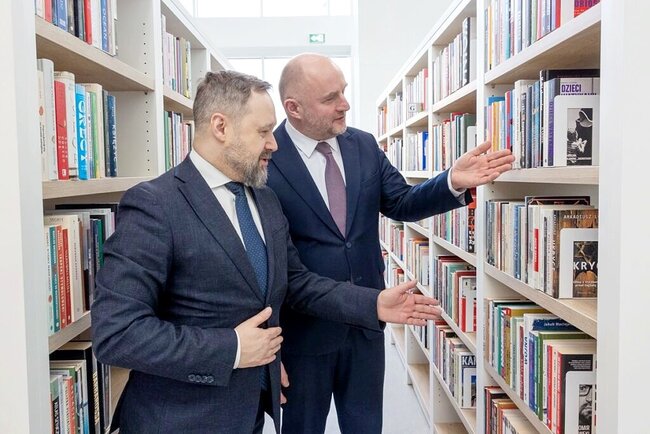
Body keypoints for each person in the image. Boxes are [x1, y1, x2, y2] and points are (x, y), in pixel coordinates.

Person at [91, 70, 444, 434]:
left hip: (250, 415)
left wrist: (373, 304)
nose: (274, 144)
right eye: (263, 132)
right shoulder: (155, 205)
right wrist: (232, 348)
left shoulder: (263, 198)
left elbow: (296, 282)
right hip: (181, 420)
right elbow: (117, 333)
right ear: (220, 127)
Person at [268, 53, 515, 434]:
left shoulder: (363, 145)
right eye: (331, 98)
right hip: (304, 332)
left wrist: (452, 180)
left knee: (366, 426)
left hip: (369, 322)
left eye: (344, 91)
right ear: (294, 108)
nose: (345, 104)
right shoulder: (266, 158)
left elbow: (401, 202)